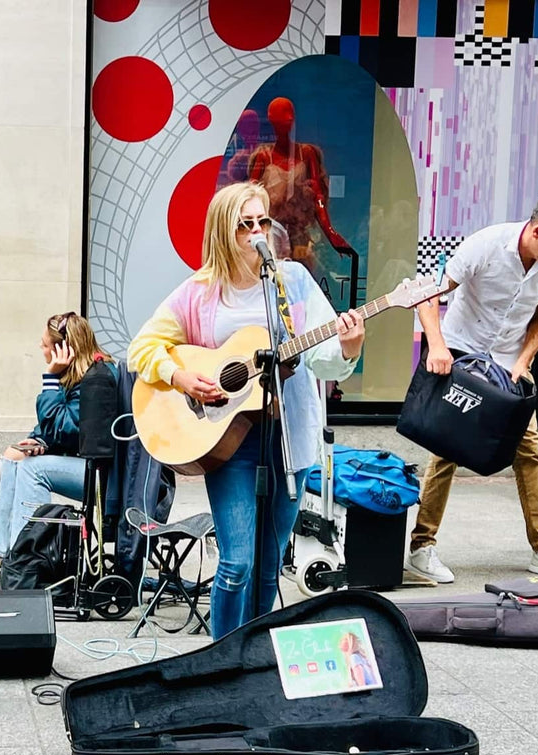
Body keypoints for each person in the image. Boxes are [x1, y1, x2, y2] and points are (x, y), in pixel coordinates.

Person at [128, 181, 364, 640]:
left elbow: (320, 357)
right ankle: (221, 655)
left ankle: (254, 654)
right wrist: (179, 376)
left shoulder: (291, 282)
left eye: (262, 222)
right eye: (245, 225)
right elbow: (142, 348)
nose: (257, 232)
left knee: (269, 563)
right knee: (237, 562)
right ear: (223, 230)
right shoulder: (199, 292)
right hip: (227, 439)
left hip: (288, 438)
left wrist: (348, 348)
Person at [406, 193, 538, 583]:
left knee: (529, 451)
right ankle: (421, 547)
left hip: (509, 360)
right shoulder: (487, 245)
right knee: (446, 450)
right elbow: (428, 294)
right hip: (462, 350)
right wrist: (437, 346)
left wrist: (524, 362)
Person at [0, 312, 116, 570]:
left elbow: (65, 429)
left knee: (32, 469)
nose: (40, 346)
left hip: (105, 476)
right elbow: (61, 426)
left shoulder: (97, 379)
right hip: (87, 464)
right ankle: (2, 550)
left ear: (62, 349)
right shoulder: (79, 374)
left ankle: (24, 560)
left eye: (45, 344)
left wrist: (50, 379)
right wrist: (38, 441)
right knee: (14, 456)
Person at [247, 96, 355, 272]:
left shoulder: (307, 153)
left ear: (293, 121)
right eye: (279, 122)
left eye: (287, 121)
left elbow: (318, 196)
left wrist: (330, 231)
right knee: (269, 275)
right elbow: (247, 198)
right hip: (271, 233)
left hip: (299, 234)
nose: (284, 126)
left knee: (300, 277)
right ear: (272, 122)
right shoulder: (264, 157)